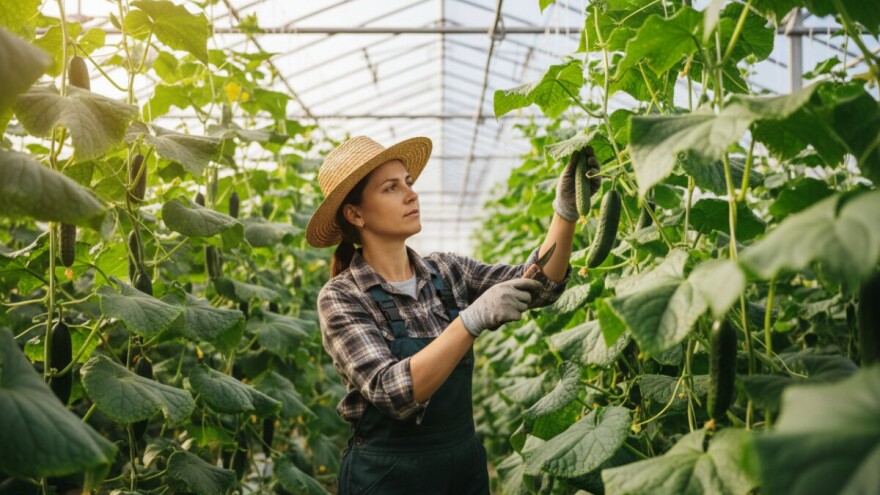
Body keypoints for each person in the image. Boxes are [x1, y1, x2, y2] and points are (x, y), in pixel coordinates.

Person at [306, 135, 600, 494]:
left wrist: (565, 211)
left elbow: (540, 284)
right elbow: (393, 392)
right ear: (355, 214)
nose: (411, 195)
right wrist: (470, 321)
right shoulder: (342, 296)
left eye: (409, 184)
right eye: (390, 188)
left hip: (462, 469)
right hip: (387, 478)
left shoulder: (448, 271)